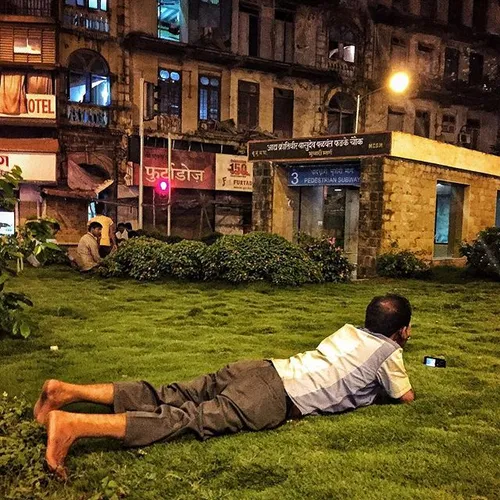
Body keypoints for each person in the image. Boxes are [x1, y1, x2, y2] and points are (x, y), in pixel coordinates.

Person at [34, 294, 415, 479]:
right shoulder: (388, 351)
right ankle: (73, 425)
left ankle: (66, 390)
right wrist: (397, 351)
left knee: (170, 393)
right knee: (186, 419)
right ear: (402, 330)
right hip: (273, 398)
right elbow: (405, 397)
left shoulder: (347, 332)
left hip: (260, 368)